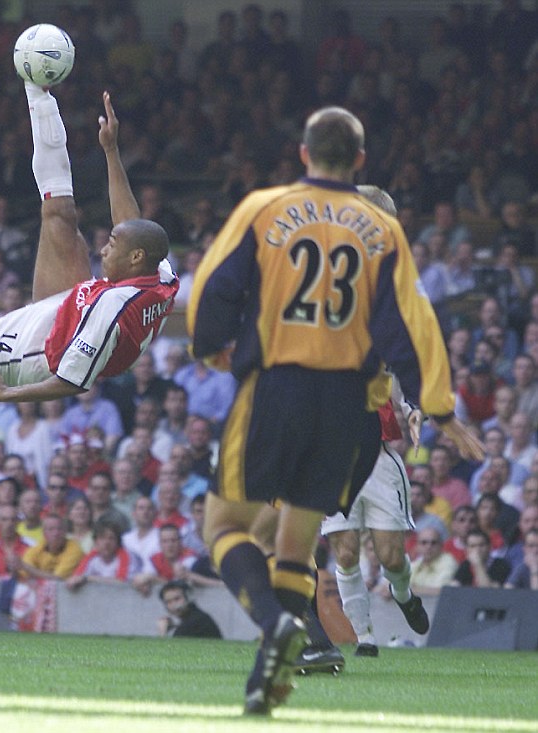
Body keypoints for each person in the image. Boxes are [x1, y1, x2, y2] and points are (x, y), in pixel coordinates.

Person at [187, 107, 482, 716]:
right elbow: (412, 323)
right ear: (361, 161)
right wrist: (441, 407)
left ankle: (275, 625)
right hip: (348, 404)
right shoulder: (382, 228)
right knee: (295, 546)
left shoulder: (264, 209)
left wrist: (213, 350)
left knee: (223, 528)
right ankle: (276, 673)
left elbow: (213, 288)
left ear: (303, 154)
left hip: (276, 388)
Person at [0, 88, 178, 530]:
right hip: (73, 305)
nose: (106, 244)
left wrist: (6, 395)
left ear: (134, 260)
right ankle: (36, 91)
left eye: (114, 246)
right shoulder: (158, 273)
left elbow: (69, 382)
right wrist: (111, 151)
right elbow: (132, 227)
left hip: (43, 349)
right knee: (59, 213)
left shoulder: (114, 311)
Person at [320, 188, 431, 659]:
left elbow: (405, 356)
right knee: (344, 551)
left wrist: (413, 404)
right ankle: (364, 637)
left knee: (389, 555)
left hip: (378, 446)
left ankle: (403, 594)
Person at [19, 513, 84, 581]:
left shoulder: (75, 549)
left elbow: (57, 579)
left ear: (65, 531)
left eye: (59, 529)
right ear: (44, 533)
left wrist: (28, 569)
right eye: (51, 529)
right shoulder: (39, 546)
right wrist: (25, 569)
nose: (56, 533)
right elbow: (24, 574)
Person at [157, 579, 222, 639]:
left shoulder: (195, 621)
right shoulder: (197, 616)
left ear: (187, 597)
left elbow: (170, 649)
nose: (174, 605)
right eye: (168, 602)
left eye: (177, 599)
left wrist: (162, 632)